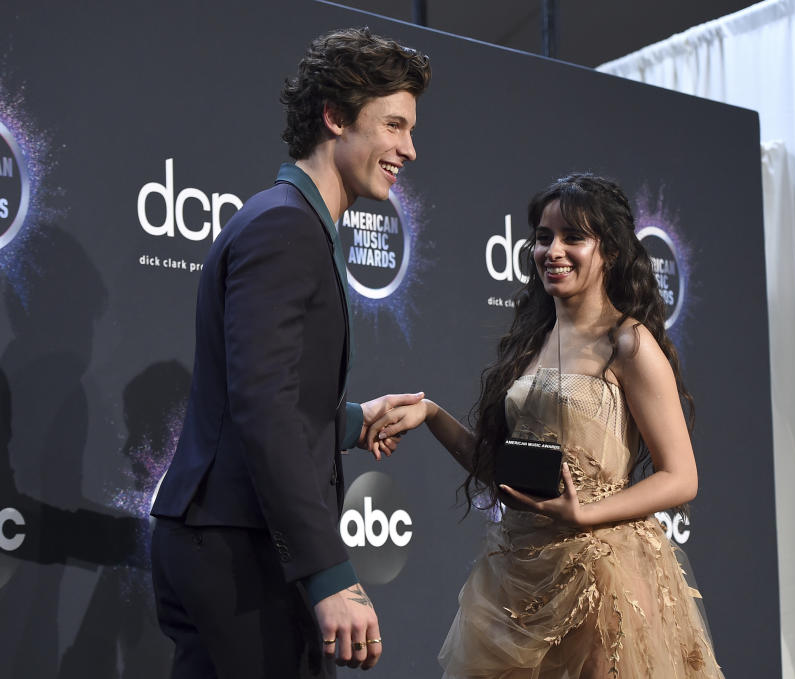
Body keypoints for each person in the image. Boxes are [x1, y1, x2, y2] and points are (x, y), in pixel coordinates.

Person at [149, 28, 431, 678]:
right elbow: (261, 408)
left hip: (238, 545)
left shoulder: (296, 223)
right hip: (236, 550)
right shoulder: (285, 227)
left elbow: (268, 400)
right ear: (335, 117)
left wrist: (355, 421)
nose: (409, 149)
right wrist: (330, 573)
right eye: (394, 125)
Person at [369, 174, 724, 678]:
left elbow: (681, 476)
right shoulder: (532, 341)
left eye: (573, 237)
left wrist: (589, 514)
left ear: (611, 253)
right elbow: (504, 474)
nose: (553, 250)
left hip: (603, 577)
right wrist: (431, 416)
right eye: (543, 237)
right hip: (519, 577)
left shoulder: (629, 342)